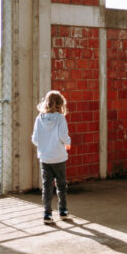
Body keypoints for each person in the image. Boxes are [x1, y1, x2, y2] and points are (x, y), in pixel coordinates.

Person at [31, 89, 71, 223]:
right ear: (61, 104)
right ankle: (63, 211)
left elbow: (35, 139)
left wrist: (44, 144)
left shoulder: (39, 118)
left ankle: (47, 213)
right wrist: (68, 143)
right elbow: (63, 136)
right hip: (59, 157)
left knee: (47, 186)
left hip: (45, 158)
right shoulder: (60, 118)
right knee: (61, 185)